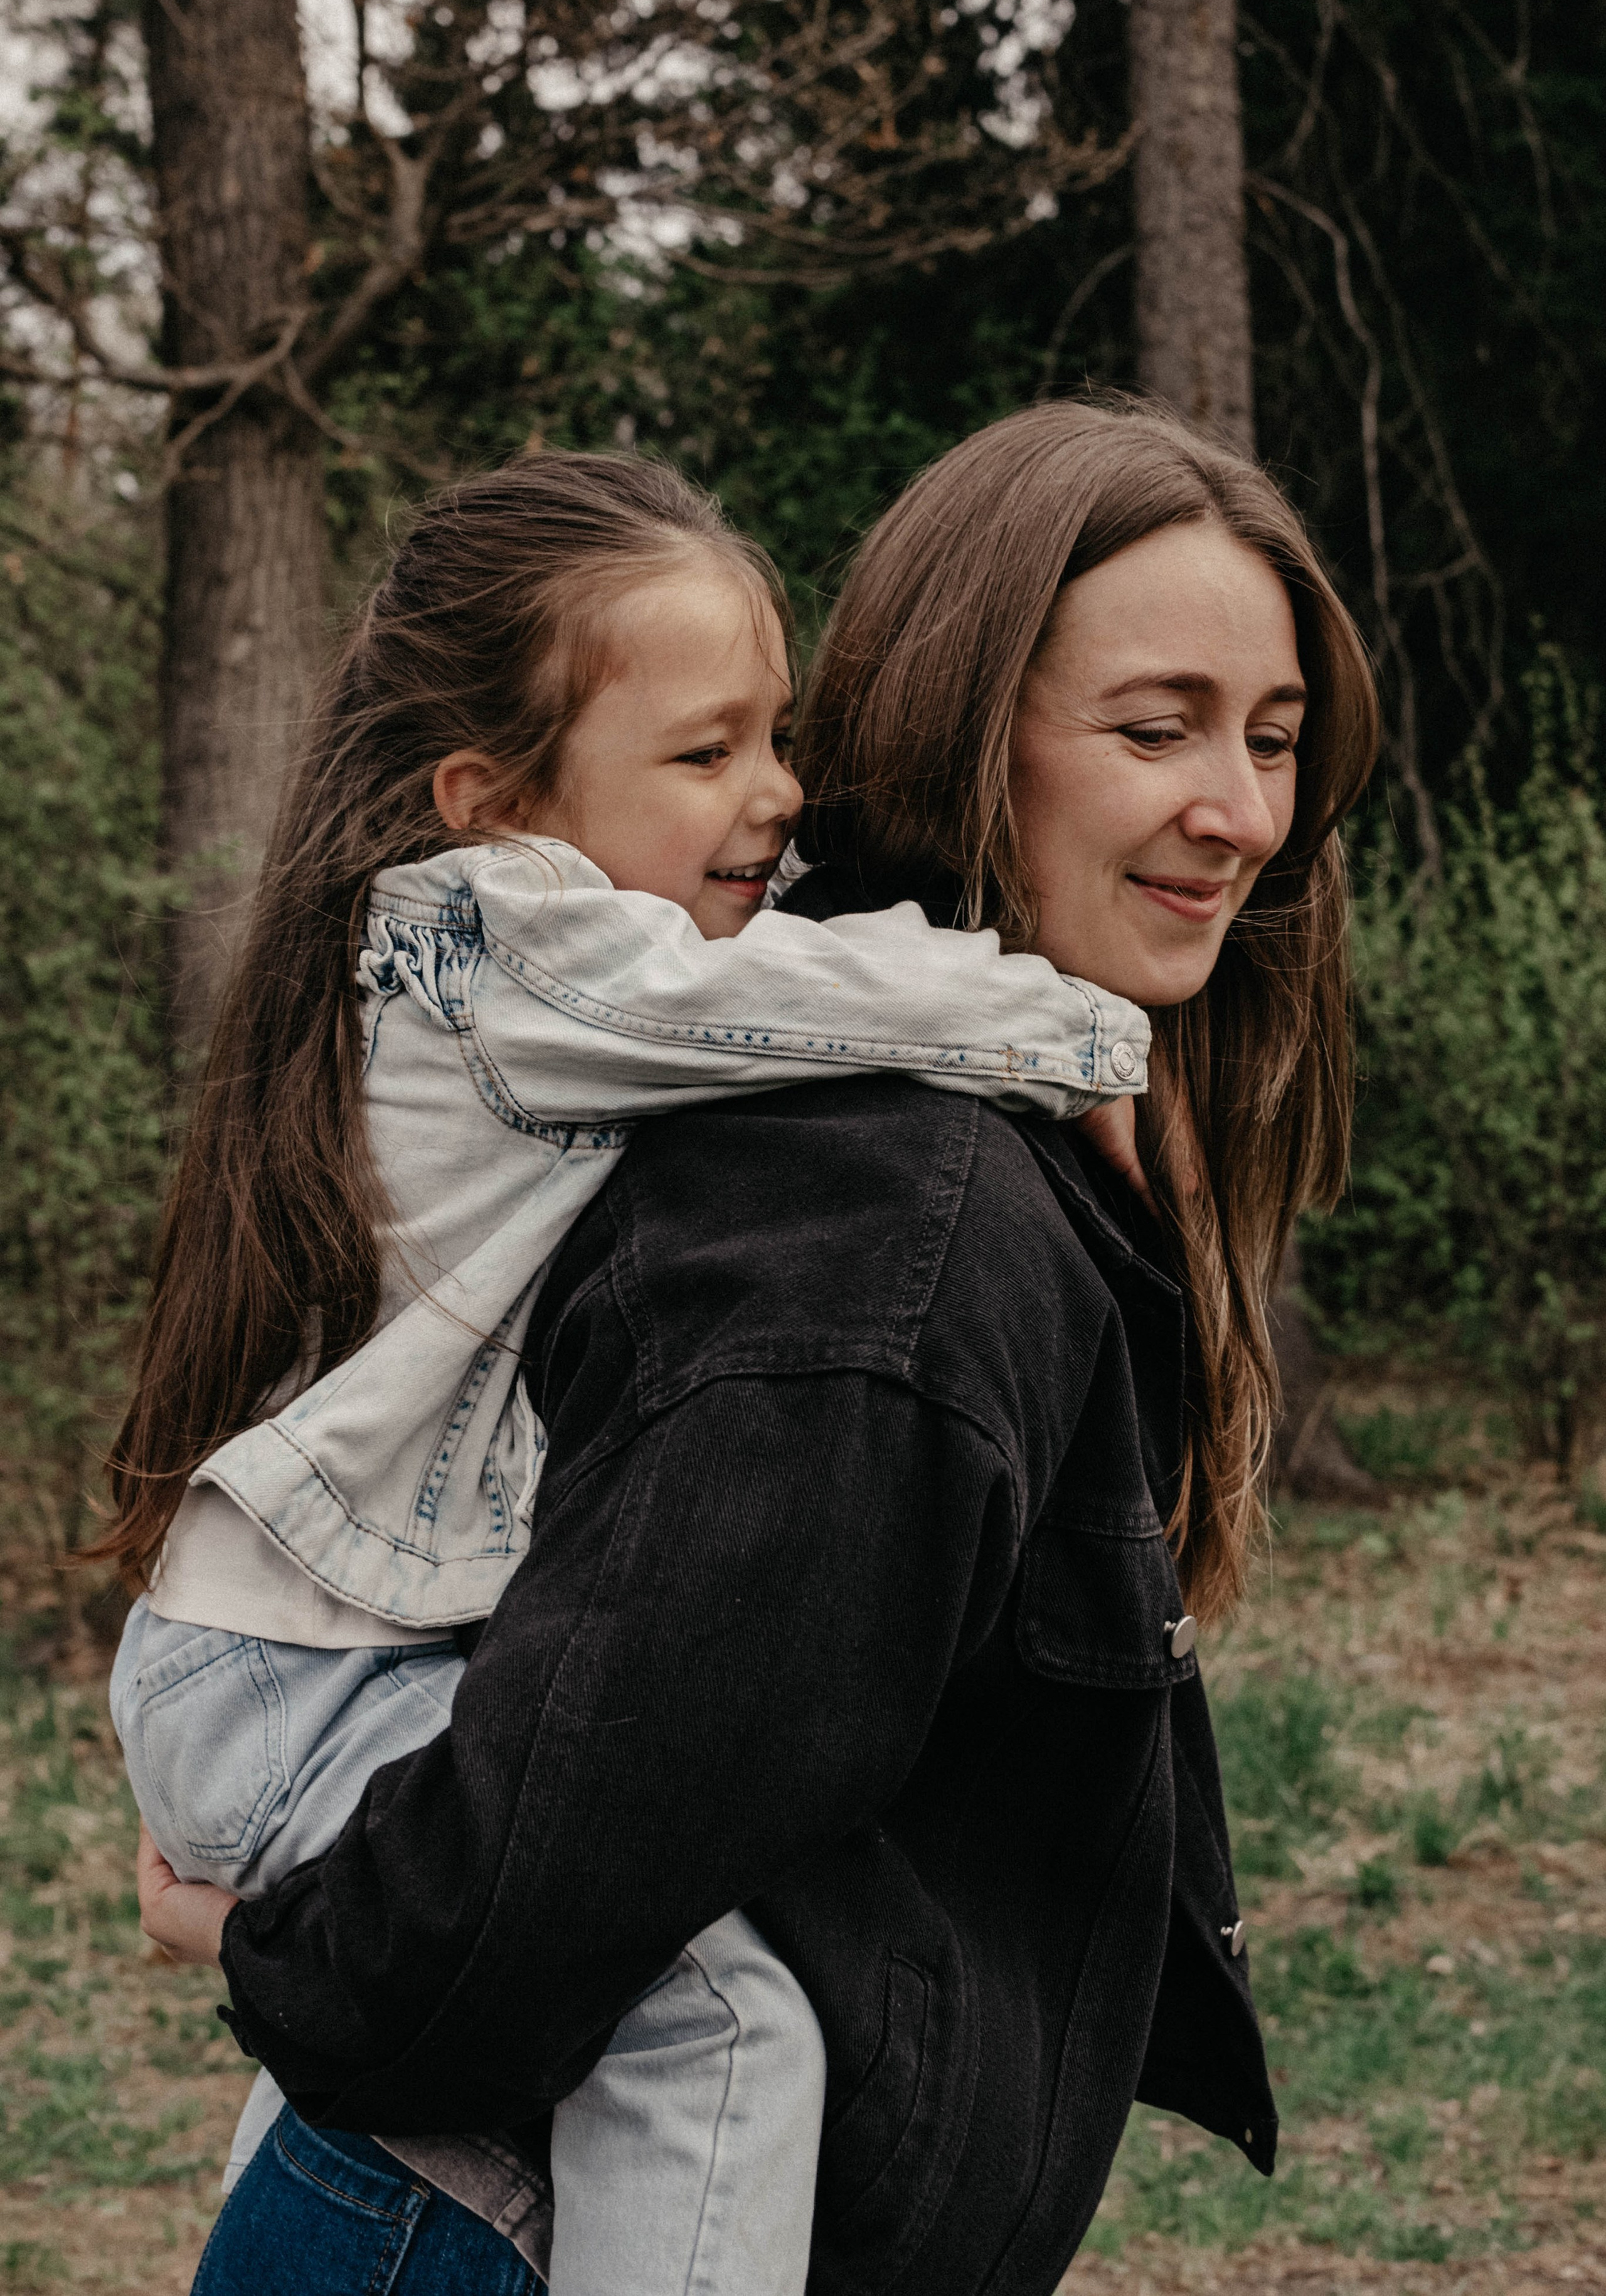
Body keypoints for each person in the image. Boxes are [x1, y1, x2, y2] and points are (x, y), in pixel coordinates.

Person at [140, 396, 1381, 2296]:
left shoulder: (909, 1132)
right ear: (978, 722)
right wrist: (274, 1945)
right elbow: (560, 1849)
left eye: (1276, 739)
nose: (1244, 808)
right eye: (1157, 728)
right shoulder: (882, 1219)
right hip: (476, 2226)